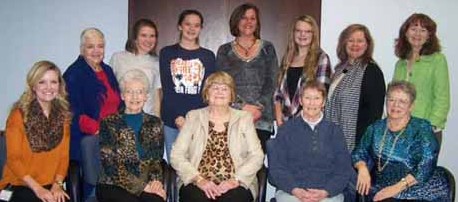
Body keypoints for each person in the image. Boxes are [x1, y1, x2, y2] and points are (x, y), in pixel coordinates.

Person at [170, 71, 264, 202]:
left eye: (224, 89)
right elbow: (176, 155)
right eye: (215, 88)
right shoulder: (193, 116)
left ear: (232, 95)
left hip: (235, 183)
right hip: (198, 183)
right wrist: (199, 180)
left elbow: (257, 156)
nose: (219, 92)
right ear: (207, 93)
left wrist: (235, 180)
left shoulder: (244, 118)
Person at [352, 81, 450, 201]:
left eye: (402, 101)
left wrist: (396, 188)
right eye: (391, 100)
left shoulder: (422, 128)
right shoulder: (375, 128)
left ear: (411, 106)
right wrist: (362, 168)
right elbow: (358, 152)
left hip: (419, 189)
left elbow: (427, 165)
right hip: (382, 187)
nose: (395, 105)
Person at [268, 81, 353, 202]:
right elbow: (277, 168)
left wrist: (326, 192)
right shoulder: (286, 130)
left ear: (323, 102)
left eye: (317, 98)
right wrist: (295, 190)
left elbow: (343, 170)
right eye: (307, 98)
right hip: (291, 192)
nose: (312, 103)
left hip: (327, 194)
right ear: (301, 101)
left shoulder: (335, 132)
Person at [64, 28, 122, 200]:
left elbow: (119, 103)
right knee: (94, 191)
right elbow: (73, 112)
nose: (96, 51)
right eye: (91, 47)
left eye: (100, 46)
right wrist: (101, 131)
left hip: (113, 139)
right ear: (82, 49)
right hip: (89, 141)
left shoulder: (108, 70)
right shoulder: (74, 74)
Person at [0, 61, 71, 202]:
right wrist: (38, 189)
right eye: (42, 82)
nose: (48, 87)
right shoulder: (18, 116)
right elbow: (14, 160)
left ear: (59, 85)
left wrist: (57, 185)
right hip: (19, 184)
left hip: (50, 185)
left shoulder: (63, 117)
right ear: (33, 86)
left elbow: (64, 157)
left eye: (53, 82)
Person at [216, 3, 279, 152]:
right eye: (244, 18)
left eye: (252, 18)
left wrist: (258, 108)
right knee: (233, 166)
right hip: (232, 116)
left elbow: (272, 81)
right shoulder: (224, 51)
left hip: (261, 118)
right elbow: (222, 83)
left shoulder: (267, 48)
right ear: (236, 21)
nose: (248, 22)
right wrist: (242, 107)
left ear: (257, 23)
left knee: (256, 166)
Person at [96, 70, 165, 202]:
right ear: (122, 95)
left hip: (145, 184)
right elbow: (110, 165)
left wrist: (156, 182)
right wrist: (142, 186)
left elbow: (156, 159)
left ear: (146, 96)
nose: (134, 97)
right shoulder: (109, 123)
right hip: (112, 184)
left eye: (139, 92)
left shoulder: (155, 123)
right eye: (129, 92)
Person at [160, 9, 216, 161]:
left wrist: (193, 119)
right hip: (172, 120)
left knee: (197, 167)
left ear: (201, 28)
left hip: (199, 121)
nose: (192, 29)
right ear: (180, 26)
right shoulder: (167, 53)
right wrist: (178, 117)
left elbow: (208, 92)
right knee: (176, 166)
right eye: (188, 24)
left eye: (196, 25)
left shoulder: (208, 56)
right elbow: (167, 89)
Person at [325, 24, 385, 151]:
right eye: (351, 40)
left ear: (367, 44)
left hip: (356, 145)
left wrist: (362, 148)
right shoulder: (340, 69)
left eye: (360, 41)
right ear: (344, 43)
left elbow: (374, 116)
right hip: (333, 140)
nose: (355, 44)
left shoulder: (371, 71)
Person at [393, 13, 450, 148]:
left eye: (423, 30)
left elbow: (442, 98)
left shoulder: (437, 60)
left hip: (426, 132)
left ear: (429, 35)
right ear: (405, 33)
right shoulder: (400, 63)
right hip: (399, 130)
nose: (417, 34)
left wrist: (428, 128)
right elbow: (393, 98)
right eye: (413, 29)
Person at [274, 15, 332, 126]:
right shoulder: (287, 58)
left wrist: (297, 123)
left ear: (313, 35)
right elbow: (278, 93)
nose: (302, 34)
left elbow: (321, 93)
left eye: (308, 31)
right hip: (285, 123)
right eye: (298, 31)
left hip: (309, 123)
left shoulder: (321, 58)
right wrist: (278, 117)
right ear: (293, 33)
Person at [110, 19, 162, 116]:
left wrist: (158, 120)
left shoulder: (157, 62)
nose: (148, 40)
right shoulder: (118, 58)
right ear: (135, 38)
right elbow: (109, 89)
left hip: (147, 118)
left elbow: (156, 95)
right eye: (143, 35)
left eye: (152, 36)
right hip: (122, 117)